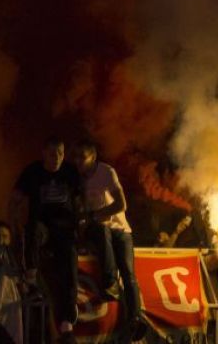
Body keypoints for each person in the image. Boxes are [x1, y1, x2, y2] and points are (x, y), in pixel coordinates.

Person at [10, 136, 84, 338]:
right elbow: (15, 198)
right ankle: (31, 276)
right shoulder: (33, 171)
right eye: (52, 154)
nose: (56, 158)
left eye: (60, 153)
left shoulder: (70, 172)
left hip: (64, 227)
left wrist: (81, 225)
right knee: (34, 229)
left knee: (69, 259)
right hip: (42, 225)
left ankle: (67, 319)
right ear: (43, 154)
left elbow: (79, 201)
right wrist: (14, 225)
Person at [74, 139, 146, 338]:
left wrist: (94, 215)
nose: (78, 162)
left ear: (93, 156)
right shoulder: (77, 179)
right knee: (101, 229)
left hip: (120, 228)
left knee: (129, 275)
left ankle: (135, 319)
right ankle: (110, 283)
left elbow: (121, 205)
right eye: (76, 157)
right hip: (97, 231)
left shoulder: (106, 172)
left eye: (82, 157)